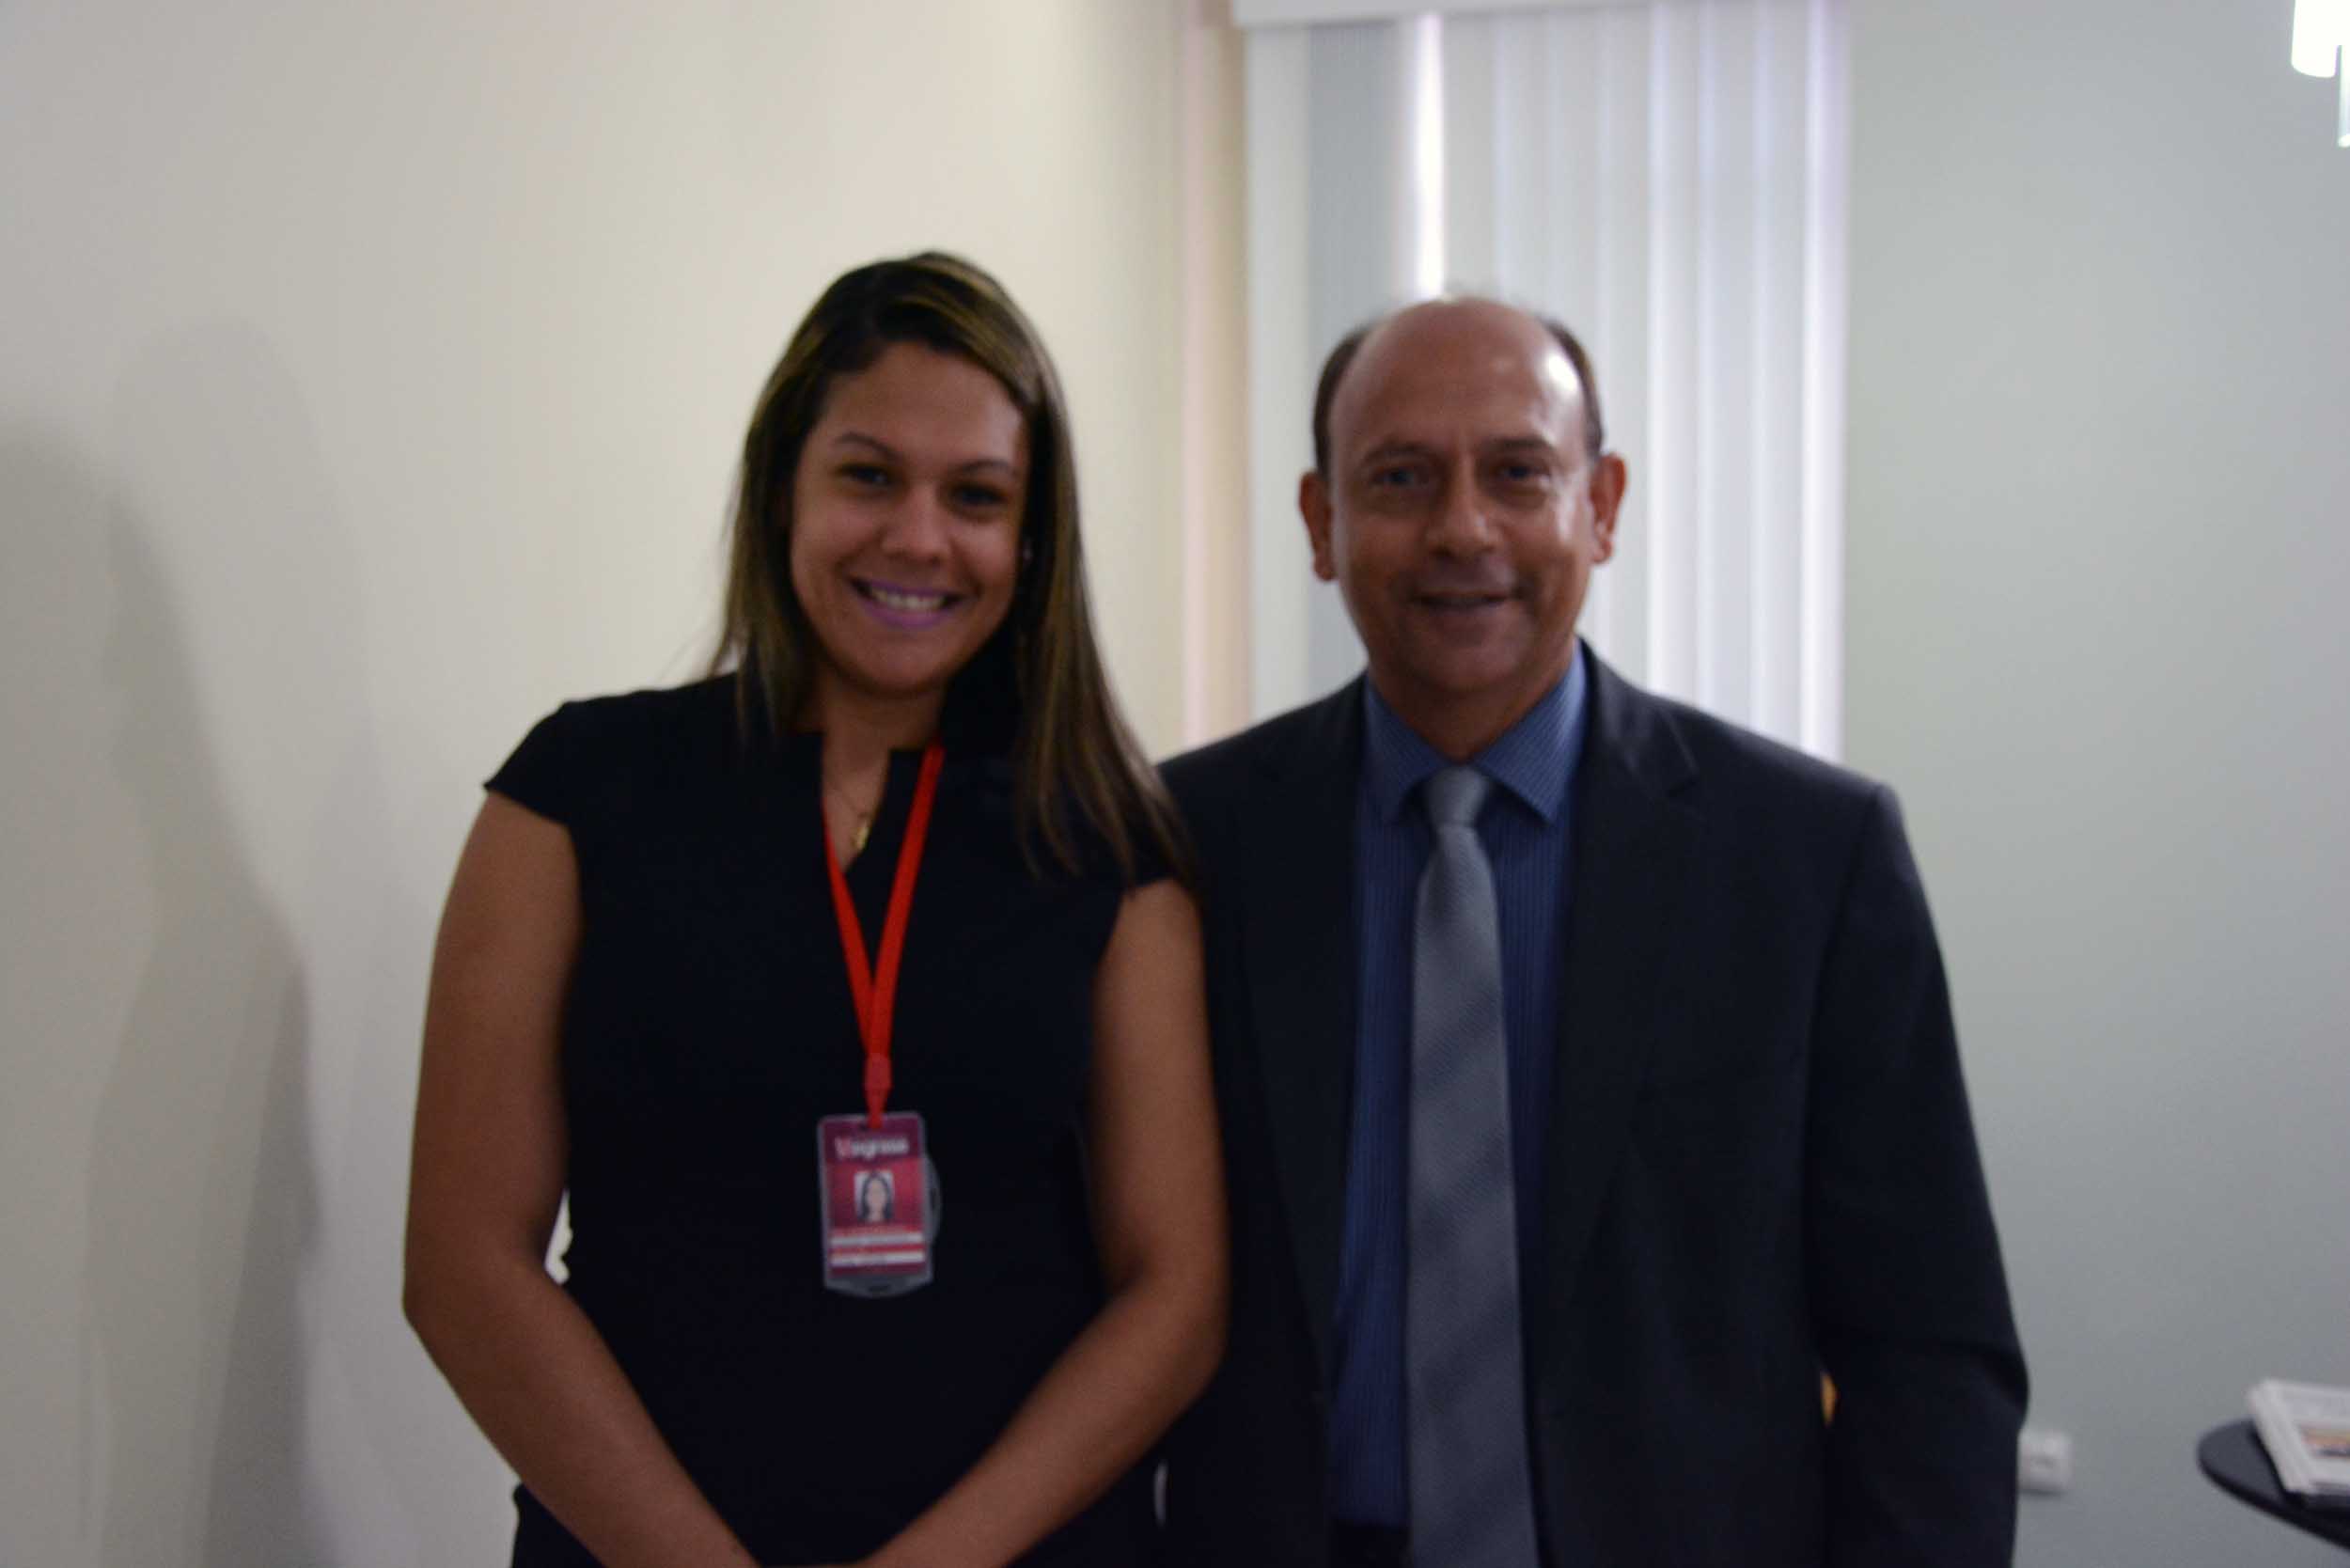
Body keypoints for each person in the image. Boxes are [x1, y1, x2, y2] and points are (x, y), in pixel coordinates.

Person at [1160, 296, 2025, 1567]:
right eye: (1399, 478)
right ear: (1320, 524)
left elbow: (1928, 1351)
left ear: (1602, 506)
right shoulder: (1183, 848)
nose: (1463, 528)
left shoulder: (1807, 859)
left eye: (1519, 472)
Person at [404, 252, 1226, 1568]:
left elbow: (1173, 1297)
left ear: (1031, 542)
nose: (919, 538)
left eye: (976, 496)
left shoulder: (1108, 847)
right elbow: (463, 1266)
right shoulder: (574, 795)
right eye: (868, 476)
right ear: (782, 485)